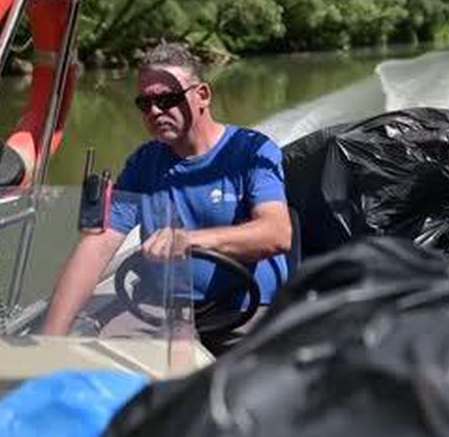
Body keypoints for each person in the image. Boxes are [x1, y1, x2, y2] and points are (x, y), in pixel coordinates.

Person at [43, 42, 292, 345]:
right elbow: (98, 245)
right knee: (97, 370)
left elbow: (277, 233)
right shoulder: (144, 163)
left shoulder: (253, 151)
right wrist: (49, 342)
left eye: (167, 99)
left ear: (202, 96)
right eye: (145, 104)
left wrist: (188, 240)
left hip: (246, 311)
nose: (155, 112)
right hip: (160, 311)